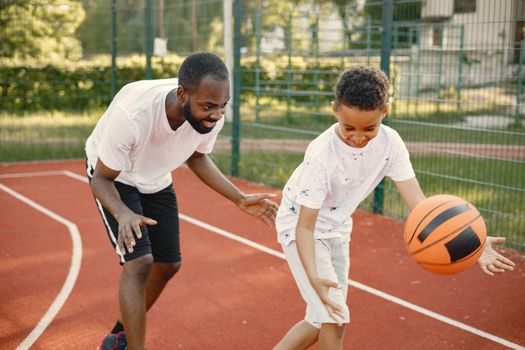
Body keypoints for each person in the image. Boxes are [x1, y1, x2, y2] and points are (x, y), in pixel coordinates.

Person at [273, 66, 516, 350]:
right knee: (335, 318)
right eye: (349, 127)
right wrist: (314, 277)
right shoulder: (321, 156)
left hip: (338, 227)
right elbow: (305, 226)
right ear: (335, 110)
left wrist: (472, 240)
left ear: (385, 113)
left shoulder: (391, 144)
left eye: (369, 128)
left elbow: (419, 206)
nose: (359, 136)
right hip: (301, 226)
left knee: (320, 320)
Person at [85, 52, 278, 350]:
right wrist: (123, 213)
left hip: (156, 177)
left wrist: (238, 198)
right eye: (208, 106)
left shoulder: (210, 113)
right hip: (115, 175)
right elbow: (101, 178)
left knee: (169, 264)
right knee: (140, 263)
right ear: (182, 94)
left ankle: (119, 335)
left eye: (223, 105)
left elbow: (197, 156)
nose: (216, 115)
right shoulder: (133, 115)